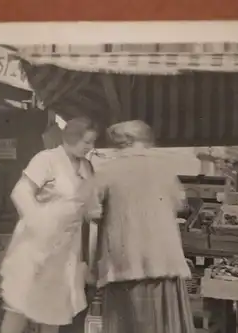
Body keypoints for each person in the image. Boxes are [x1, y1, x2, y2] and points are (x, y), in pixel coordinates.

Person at [81, 120, 195, 333]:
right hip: (165, 263)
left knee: (128, 325)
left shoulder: (107, 170)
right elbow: (180, 205)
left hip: (125, 264)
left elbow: (90, 212)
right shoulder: (166, 168)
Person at [0, 117, 98, 333]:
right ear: (71, 138)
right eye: (86, 142)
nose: (90, 147)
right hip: (35, 243)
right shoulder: (46, 160)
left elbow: (90, 205)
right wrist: (39, 223)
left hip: (66, 249)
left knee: (54, 308)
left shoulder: (87, 168)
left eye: (92, 142)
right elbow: (20, 192)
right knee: (21, 304)